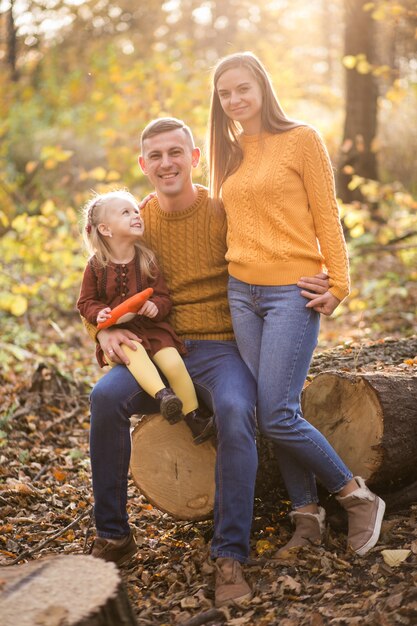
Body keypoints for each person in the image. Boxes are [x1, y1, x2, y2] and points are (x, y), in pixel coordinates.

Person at [81, 117, 332, 607]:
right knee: (104, 398)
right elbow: (101, 283)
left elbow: (281, 241)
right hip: (154, 347)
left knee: (239, 411)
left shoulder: (224, 210)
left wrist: (319, 275)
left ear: (194, 158)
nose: (166, 163)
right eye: (155, 155)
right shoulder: (136, 219)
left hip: (219, 348)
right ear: (143, 165)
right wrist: (105, 326)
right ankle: (114, 535)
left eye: (176, 152)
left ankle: (230, 553)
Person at [207, 51, 385, 561]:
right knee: (270, 407)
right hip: (241, 293)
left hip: (292, 293)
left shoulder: (301, 139)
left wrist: (340, 284)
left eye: (243, 88)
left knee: (278, 413)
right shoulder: (230, 152)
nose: (235, 99)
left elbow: (327, 215)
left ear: (262, 87)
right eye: (225, 94)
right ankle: (306, 516)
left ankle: (356, 497)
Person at [77, 189, 214, 444]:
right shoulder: (96, 266)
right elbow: (85, 302)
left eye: (136, 211)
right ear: (106, 230)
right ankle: (164, 397)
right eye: (126, 213)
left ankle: (195, 417)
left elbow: (163, 297)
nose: (136, 216)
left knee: (173, 363)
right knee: (133, 352)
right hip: (121, 335)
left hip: (153, 329)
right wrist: (99, 314)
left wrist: (155, 307)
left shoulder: (146, 259)